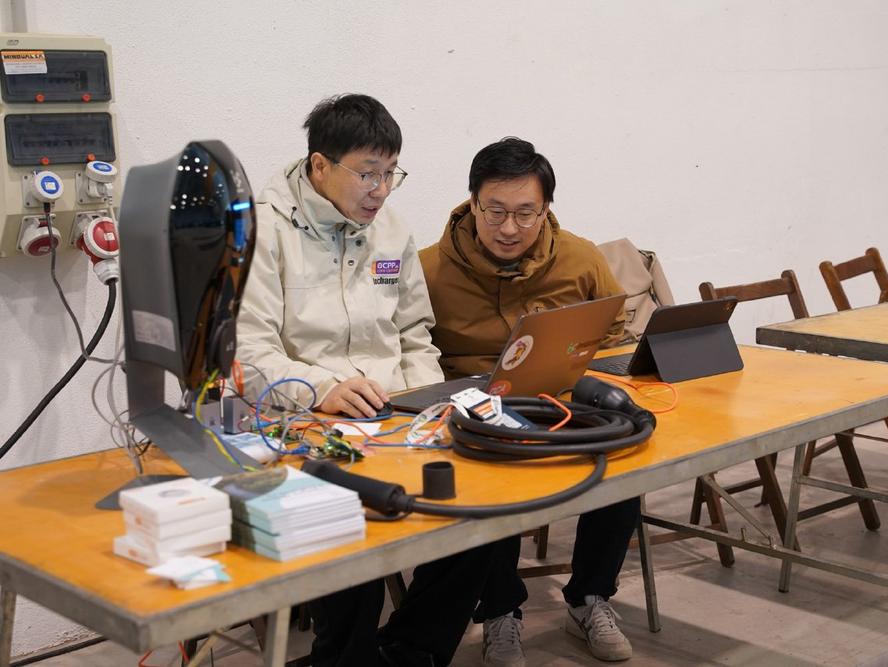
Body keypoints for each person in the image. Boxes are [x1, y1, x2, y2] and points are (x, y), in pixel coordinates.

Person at [236, 94, 494, 667]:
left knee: (482, 512)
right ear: (320, 165)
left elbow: (414, 334)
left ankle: (413, 651)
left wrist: (426, 404)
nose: (381, 190)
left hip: (395, 418)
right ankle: (345, 656)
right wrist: (323, 388)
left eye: (391, 173)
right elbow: (248, 356)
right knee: (349, 524)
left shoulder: (390, 229)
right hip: (306, 423)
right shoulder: (260, 230)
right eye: (368, 173)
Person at [419, 137, 639, 665]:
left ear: (546, 210)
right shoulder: (426, 268)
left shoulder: (580, 258)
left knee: (627, 454)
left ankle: (589, 597)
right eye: (494, 211)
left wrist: (590, 371)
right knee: (492, 472)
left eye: (525, 213)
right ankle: (500, 611)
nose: (509, 228)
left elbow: (614, 331)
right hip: (473, 409)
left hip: (559, 397)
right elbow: (408, 346)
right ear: (472, 203)